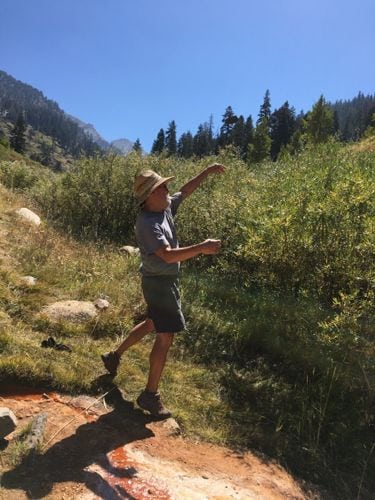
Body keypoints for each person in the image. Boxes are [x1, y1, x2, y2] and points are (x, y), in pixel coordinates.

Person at [101, 164, 225, 418]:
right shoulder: (147, 223)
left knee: (151, 324)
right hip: (159, 284)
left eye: (166, 186)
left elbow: (185, 191)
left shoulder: (165, 206)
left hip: (162, 281)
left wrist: (207, 171)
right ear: (149, 196)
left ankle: (114, 356)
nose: (168, 190)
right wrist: (201, 247)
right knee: (165, 335)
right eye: (162, 187)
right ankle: (150, 395)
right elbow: (167, 256)